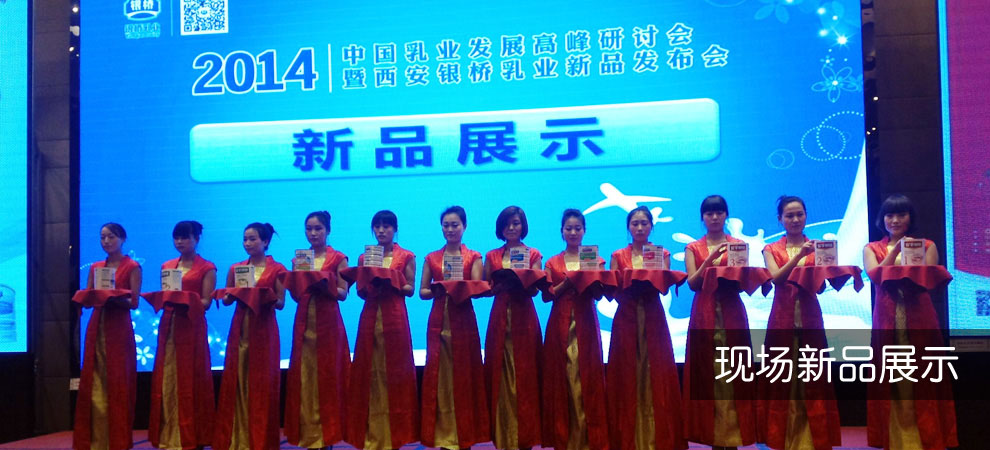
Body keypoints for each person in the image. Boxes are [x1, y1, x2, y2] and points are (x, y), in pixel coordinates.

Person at [863, 194, 956, 450]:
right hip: (886, 319)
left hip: (920, 317)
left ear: (910, 218)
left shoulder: (927, 246)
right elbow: (875, 276)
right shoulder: (872, 248)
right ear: (882, 219)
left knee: (924, 377)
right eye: (890, 215)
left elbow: (928, 280)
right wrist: (896, 251)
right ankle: (896, 440)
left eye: (901, 214)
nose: (895, 220)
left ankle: (926, 439)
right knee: (890, 378)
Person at [760, 197, 841, 450]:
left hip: (810, 317)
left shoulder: (818, 247)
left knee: (813, 379)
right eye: (789, 215)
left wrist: (830, 268)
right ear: (780, 220)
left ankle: (811, 439)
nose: (795, 220)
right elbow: (776, 278)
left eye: (799, 214)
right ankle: (782, 439)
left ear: (806, 216)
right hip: (781, 318)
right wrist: (801, 257)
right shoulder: (771, 249)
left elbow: (825, 286)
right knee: (781, 378)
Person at [608, 206, 686, 450]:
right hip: (626, 317)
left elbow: (664, 286)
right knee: (626, 373)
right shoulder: (618, 255)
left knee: (657, 373)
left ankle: (658, 438)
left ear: (652, 226)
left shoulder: (662, 253)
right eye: (635, 223)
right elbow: (612, 289)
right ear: (628, 228)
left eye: (644, 223)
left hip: (653, 316)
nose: (640, 228)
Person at [682, 195, 755, 450]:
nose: (714, 217)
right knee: (708, 374)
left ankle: (732, 438)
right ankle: (713, 438)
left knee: (734, 372)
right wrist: (710, 260)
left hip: (732, 311)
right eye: (709, 213)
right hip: (704, 312)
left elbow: (744, 283)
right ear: (702, 218)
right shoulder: (693, 248)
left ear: (726, 215)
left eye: (719, 212)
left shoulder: (738, 245)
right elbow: (693, 283)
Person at [347, 210, 419, 450]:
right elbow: (360, 291)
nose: (381, 230)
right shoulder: (365, 257)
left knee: (395, 374)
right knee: (368, 372)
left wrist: (391, 280)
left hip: (394, 317)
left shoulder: (406, 256)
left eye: (386, 226)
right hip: (370, 316)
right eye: (377, 226)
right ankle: (370, 434)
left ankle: (395, 436)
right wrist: (370, 281)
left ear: (394, 229)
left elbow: (410, 289)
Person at [418, 206, 489, 449]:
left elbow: (479, 288)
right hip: (438, 322)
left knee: (464, 377)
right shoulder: (431, 258)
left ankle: (464, 435)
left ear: (464, 227)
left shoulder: (474, 256)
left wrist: (460, 286)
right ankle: (442, 435)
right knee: (439, 378)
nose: (450, 229)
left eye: (455, 225)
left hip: (464, 322)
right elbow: (422, 292)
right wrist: (438, 288)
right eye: (446, 225)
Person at [213, 223, 287, 450]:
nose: (247, 243)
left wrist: (263, 296)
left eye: (253, 239)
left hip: (264, 329)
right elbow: (226, 300)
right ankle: (236, 438)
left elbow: (281, 303)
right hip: (240, 328)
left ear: (265, 242)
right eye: (245, 239)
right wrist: (236, 293)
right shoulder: (236, 268)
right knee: (236, 380)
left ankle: (260, 440)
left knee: (261, 383)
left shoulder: (278, 269)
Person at [542, 208, 609, 450]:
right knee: (562, 379)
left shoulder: (594, 259)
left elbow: (600, 295)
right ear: (562, 232)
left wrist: (592, 279)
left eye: (577, 228)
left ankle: (588, 440)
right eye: (568, 228)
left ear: (584, 231)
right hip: (559, 325)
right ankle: (565, 439)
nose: (573, 232)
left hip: (586, 323)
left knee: (587, 379)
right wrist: (569, 281)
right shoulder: (552, 262)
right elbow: (547, 296)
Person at [285, 211, 350, 449]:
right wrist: (297, 283)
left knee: (328, 378)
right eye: (309, 229)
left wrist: (325, 286)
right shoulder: (299, 259)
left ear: (328, 231)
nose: (313, 233)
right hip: (304, 323)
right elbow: (296, 296)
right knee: (305, 378)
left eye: (318, 229)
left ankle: (328, 436)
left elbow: (343, 293)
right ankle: (308, 434)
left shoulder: (338, 258)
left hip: (328, 323)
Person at [74, 222, 142, 450]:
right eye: (102, 237)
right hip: (97, 325)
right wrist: (86, 298)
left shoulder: (132, 266)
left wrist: (112, 297)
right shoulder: (95, 267)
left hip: (118, 327)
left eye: (111, 237)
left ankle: (117, 440)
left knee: (117, 381)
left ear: (122, 239)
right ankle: (95, 440)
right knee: (94, 380)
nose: (106, 241)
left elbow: (133, 302)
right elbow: (90, 298)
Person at [150, 221, 216, 450]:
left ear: (197, 239)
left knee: (192, 378)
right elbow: (166, 294)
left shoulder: (207, 267)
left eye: (185, 237)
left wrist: (187, 299)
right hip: (169, 324)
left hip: (191, 325)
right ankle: (168, 434)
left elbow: (206, 302)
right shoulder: (167, 265)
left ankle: (192, 436)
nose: (180, 242)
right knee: (167, 377)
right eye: (176, 238)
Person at [483, 205, 544, 450]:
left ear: (523, 226)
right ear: (500, 228)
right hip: (499, 316)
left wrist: (523, 281)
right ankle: (503, 436)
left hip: (524, 317)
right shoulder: (491, 256)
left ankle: (526, 438)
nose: (511, 228)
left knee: (526, 376)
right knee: (499, 374)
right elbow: (485, 288)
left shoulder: (533, 254)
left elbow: (536, 289)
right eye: (507, 224)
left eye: (516, 223)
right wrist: (498, 285)